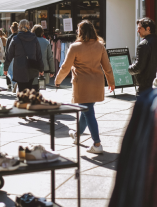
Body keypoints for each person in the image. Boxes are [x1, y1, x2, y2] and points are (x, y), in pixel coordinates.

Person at [55, 20, 115, 154]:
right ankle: (77, 135)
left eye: (78, 30)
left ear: (81, 32)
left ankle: (97, 144)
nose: (77, 32)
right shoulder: (100, 46)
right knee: (86, 110)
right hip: (96, 83)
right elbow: (107, 67)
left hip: (82, 84)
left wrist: (58, 80)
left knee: (88, 112)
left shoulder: (75, 47)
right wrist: (111, 82)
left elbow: (66, 66)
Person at [4, 19, 44, 92]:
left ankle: (23, 101)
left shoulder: (15, 39)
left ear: (19, 27)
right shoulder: (34, 38)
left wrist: (5, 68)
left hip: (19, 68)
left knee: (21, 89)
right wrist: (41, 69)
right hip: (32, 67)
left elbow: (9, 55)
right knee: (29, 87)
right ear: (28, 26)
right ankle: (28, 100)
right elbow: (39, 54)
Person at [128, 17, 157, 94]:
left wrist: (129, 68)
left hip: (146, 86)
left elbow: (138, 67)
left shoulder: (143, 44)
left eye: (140, 28)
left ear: (148, 28)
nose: (138, 31)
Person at [31, 24, 55, 91]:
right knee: (38, 87)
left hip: (32, 68)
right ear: (42, 32)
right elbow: (50, 57)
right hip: (44, 69)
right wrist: (52, 70)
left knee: (33, 87)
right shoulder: (46, 42)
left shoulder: (30, 41)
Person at [5, 22, 18, 91]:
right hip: (19, 56)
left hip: (11, 57)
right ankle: (15, 84)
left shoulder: (10, 38)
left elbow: (7, 50)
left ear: (12, 30)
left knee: (10, 72)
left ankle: (14, 82)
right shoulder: (19, 37)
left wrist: (6, 59)